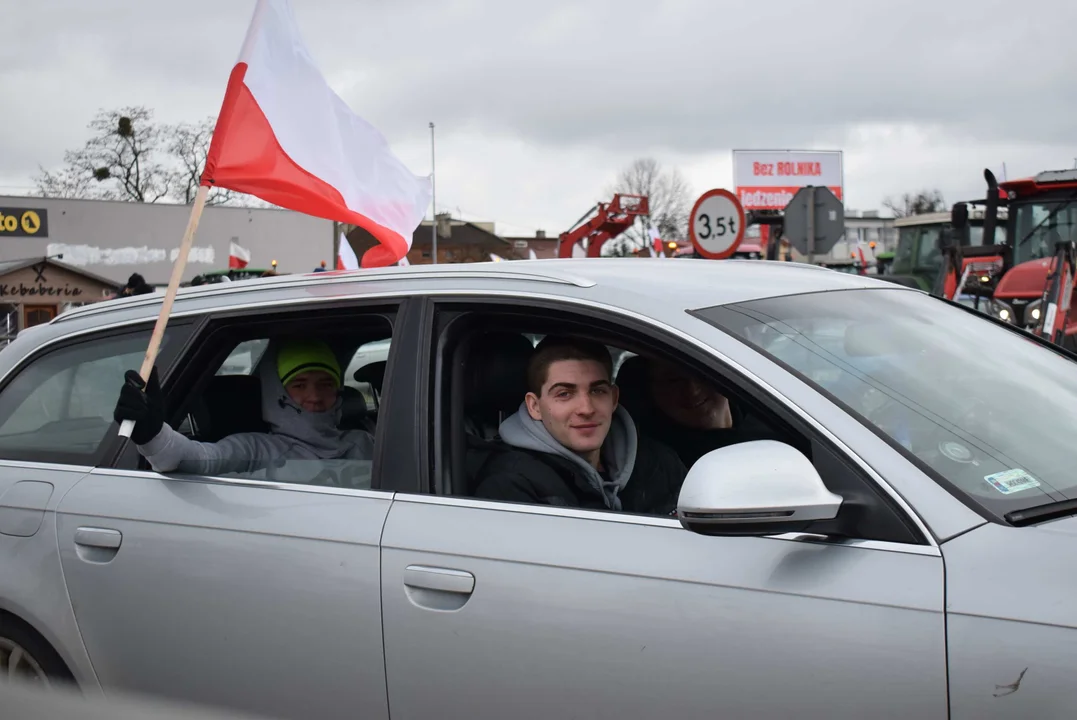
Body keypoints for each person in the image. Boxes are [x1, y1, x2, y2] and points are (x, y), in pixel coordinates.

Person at [473, 336, 686, 515]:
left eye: (597, 391)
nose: (586, 408)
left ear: (613, 398)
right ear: (534, 406)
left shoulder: (658, 462)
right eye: (564, 394)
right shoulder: (509, 486)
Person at [113, 338, 374, 482]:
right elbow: (199, 458)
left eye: (326, 384)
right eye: (300, 385)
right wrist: (153, 436)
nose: (315, 396)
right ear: (278, 393)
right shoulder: (257, 449)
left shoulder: (365, 441)